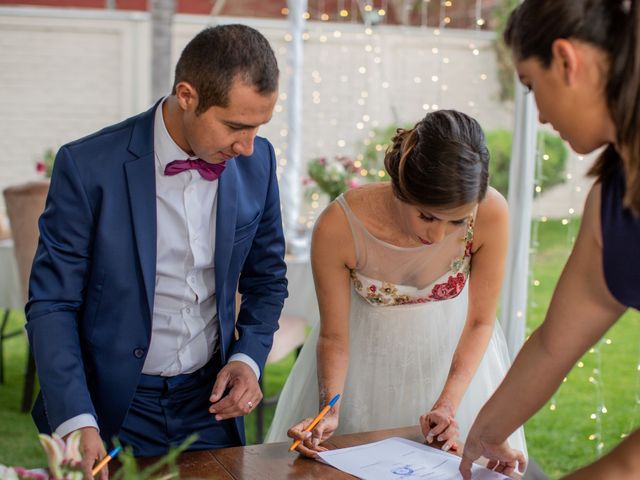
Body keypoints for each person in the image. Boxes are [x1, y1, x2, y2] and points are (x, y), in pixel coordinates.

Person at [25, 24, 287, 478]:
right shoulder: (88, 167)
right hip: (110, 409)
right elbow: (53, 303)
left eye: (258, 127)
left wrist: (248, 358)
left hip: (209, 409)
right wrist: (76, 419)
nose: (247, 147)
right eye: (235, 126)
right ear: (187, 95)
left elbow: (268, 279)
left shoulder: (257, 163)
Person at [265, 109, 527, 458]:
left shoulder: (491, 212)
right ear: (402, 185)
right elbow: (333, 337)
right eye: (427, 216)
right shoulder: (339, 227)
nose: (437, 235)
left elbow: (480, 322)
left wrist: (448, 405)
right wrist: (330, 408)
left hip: (456, 369)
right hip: (364, 373)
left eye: (456, 222)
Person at [459, 1, 640, 478]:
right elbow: (553, 344)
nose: (537, 115)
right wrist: (485, 434)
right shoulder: (612, 200)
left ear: (566, 61)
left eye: (530, 85)